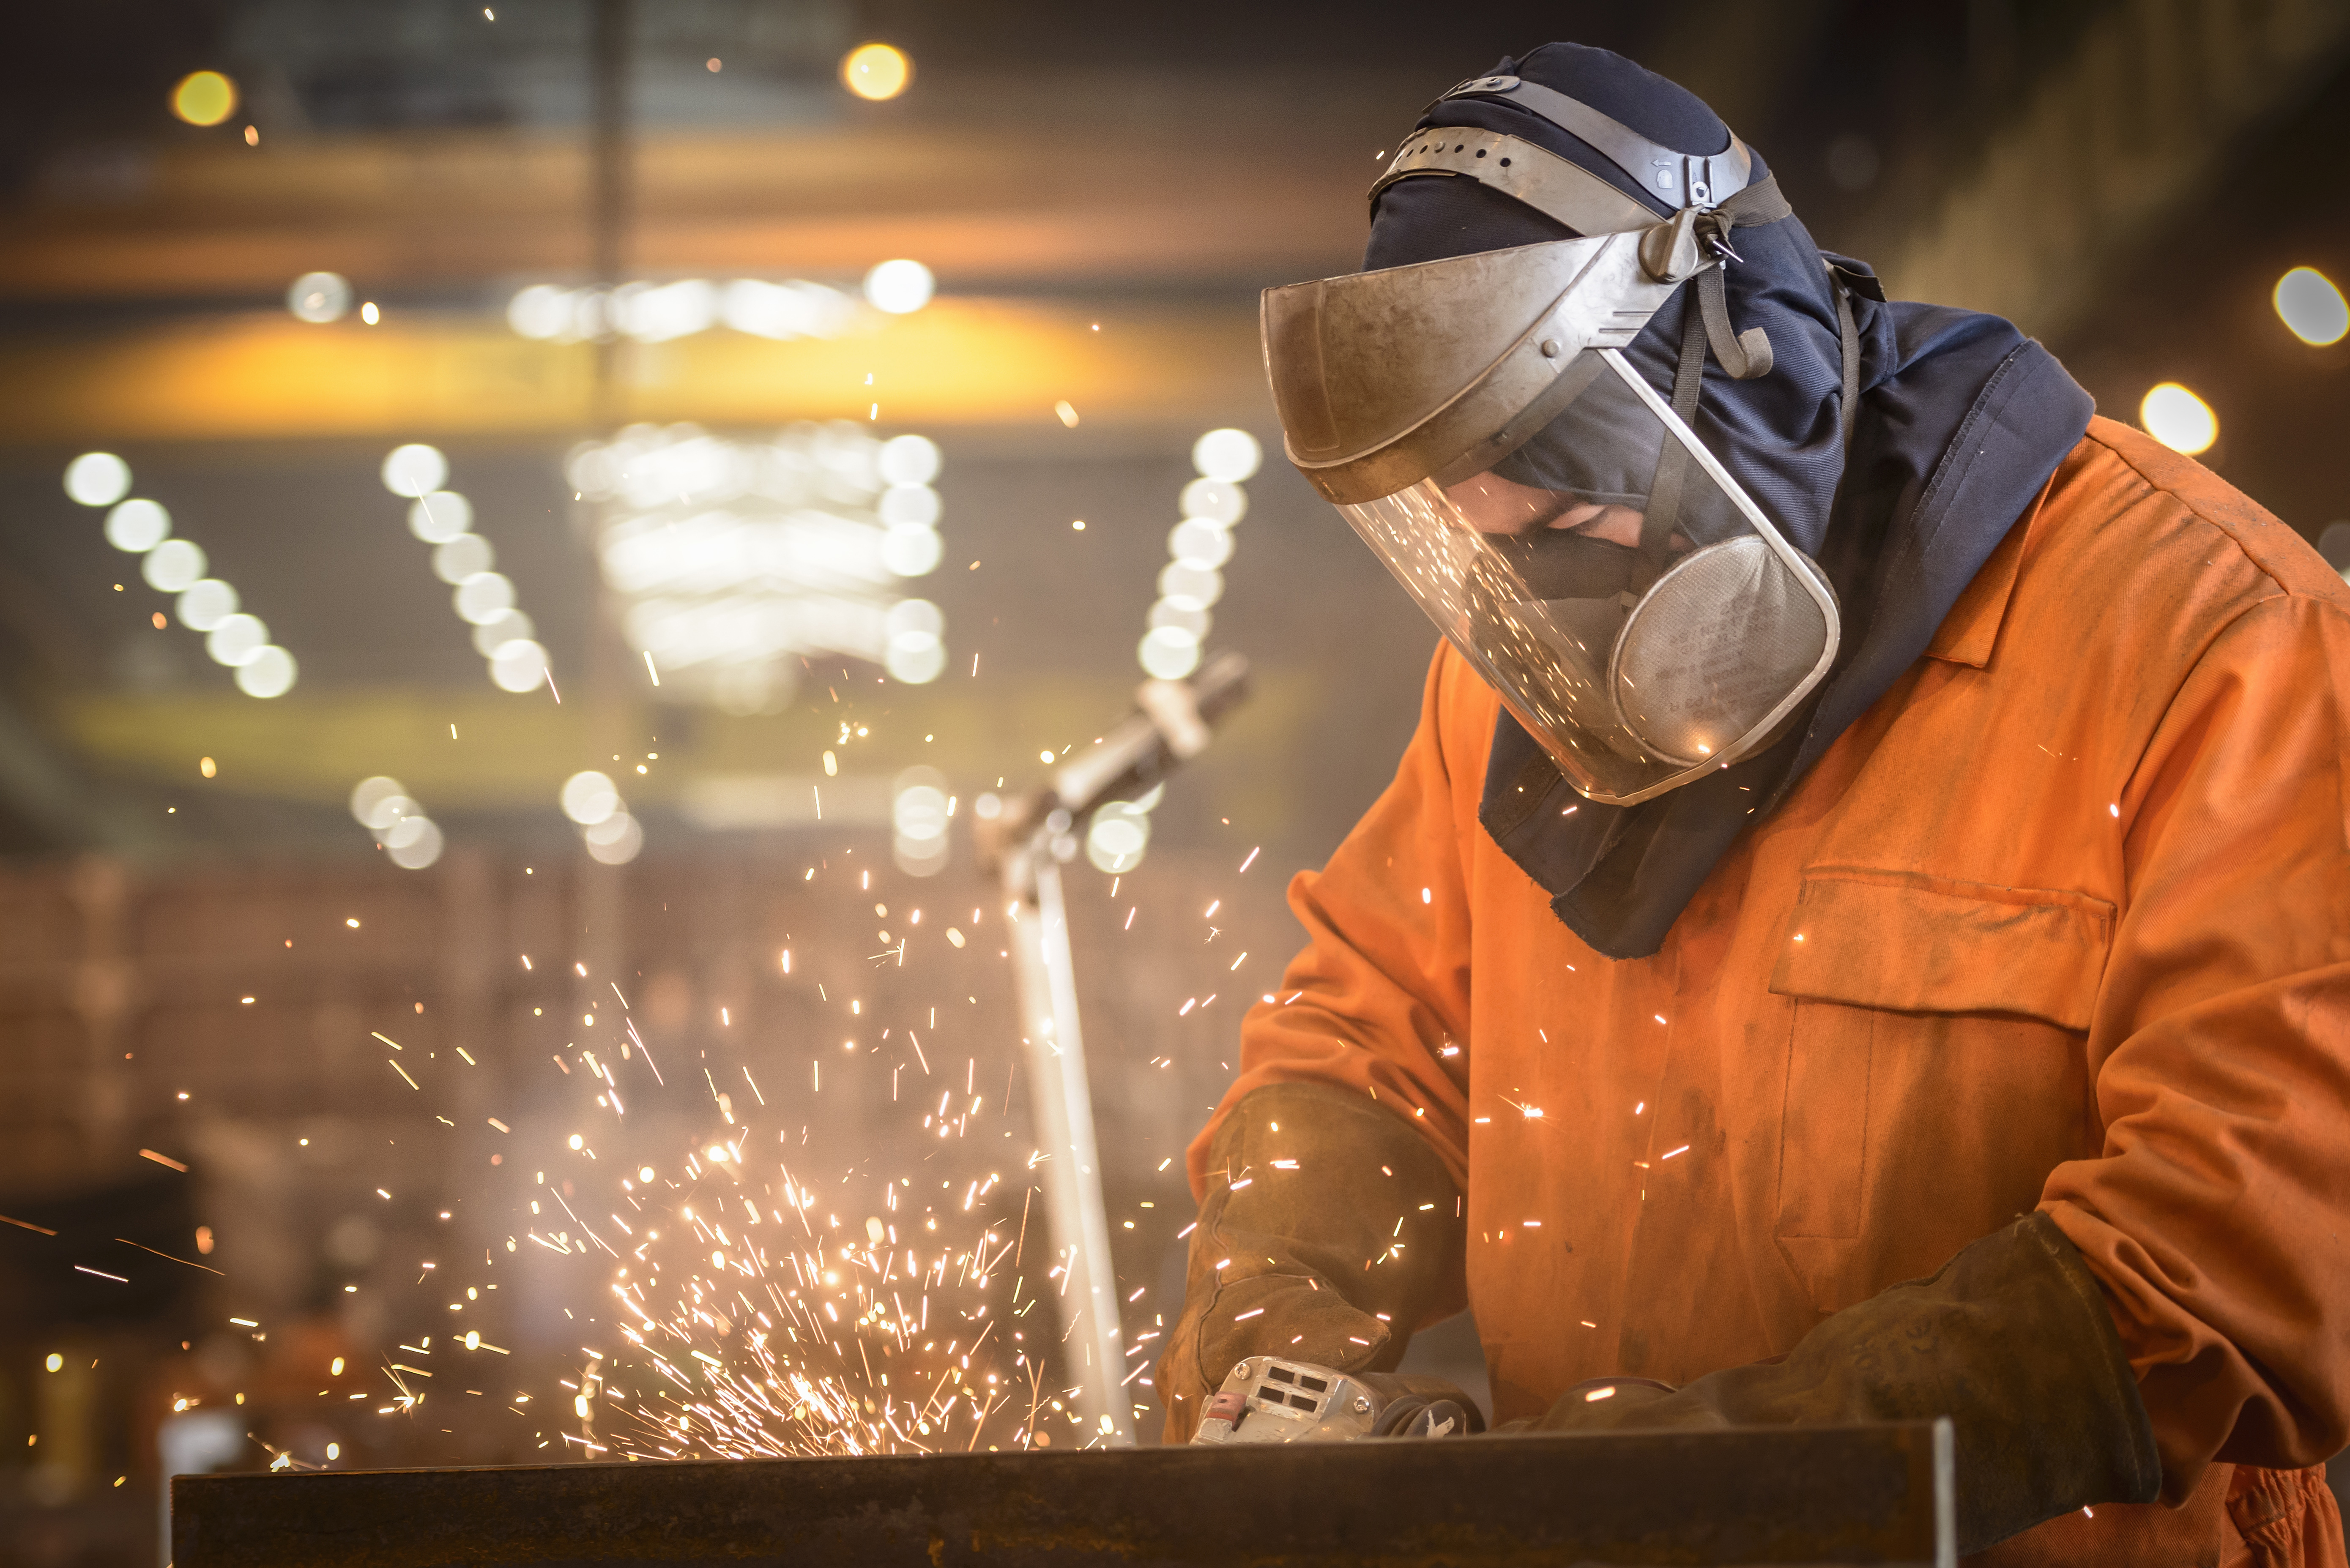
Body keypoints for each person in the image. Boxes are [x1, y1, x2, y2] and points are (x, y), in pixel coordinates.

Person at [1153, 41, 2350, 1567]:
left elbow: (2251, 1250)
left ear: (1751, 374)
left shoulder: (2207, 640)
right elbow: (1371, 1037)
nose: (1548, 608)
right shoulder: (1520, 675)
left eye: (1576, 518)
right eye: (1493, 548)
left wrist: (1737, 1478)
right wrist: (1276, 1313)